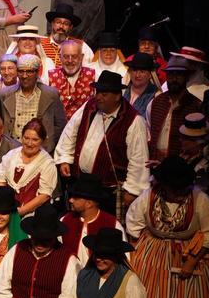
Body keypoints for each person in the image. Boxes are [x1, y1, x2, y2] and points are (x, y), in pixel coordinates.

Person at [126, 157, 209, 298]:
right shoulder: (149, 196)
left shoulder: (199, 199)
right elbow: (134, 225)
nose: (180, 192)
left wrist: (192, 262)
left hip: (190, 254)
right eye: (175, 188)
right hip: (154, 255)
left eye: (182, 188)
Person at [54, 71, 151, 220]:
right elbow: (71, 131)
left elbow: (138, 159)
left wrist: (132, 190)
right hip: (82, 183)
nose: (98, 97)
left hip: (107, 190)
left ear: (117, 96)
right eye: (98, 92)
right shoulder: (90, 106)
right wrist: (65, 158)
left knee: (104, 225)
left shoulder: (133, 121)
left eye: (104, 94)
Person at [0, 54, 65, 153]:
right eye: (21, 71)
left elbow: (60, 124)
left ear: (37, 72)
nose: (25, 76)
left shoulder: (50, 94)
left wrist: (47, 141)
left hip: (41, 150)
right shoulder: (5, 94)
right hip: (11, 150)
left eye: (29, 71)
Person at [0, 118, 57, 217]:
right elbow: (0, 178)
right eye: (26, 138)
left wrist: (20, 211)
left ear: (42, 141)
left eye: (35, 139)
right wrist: (4, 204)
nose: (29, 143)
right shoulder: (12, 155)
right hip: (6, 211)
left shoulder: (47, 163)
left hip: (32, 215)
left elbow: (44, 195)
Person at [146, 56, 203, 164]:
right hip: (154, 162)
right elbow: (149, 132)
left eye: (179, 74)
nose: (174, 78)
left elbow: (198, 142)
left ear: (187, 77)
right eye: (171, 74)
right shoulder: (156, 102)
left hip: (180, 167)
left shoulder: (195, 105)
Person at [60, 174, 125, 267]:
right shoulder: (65, 221)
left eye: (76, 198)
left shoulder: (112, 224)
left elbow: (123, 259)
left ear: (89, 204)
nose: (70, 200)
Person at [47, 39, 96, 120]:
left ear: (81, 57)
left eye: (74, 56)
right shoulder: (50, 76)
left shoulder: (93, 76)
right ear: (60, 57)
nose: (70, 61)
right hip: (59, 130)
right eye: (66, 56)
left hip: (84, 129)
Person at [124, 51, 160, 117]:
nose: (137, 75)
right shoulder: (123, 91)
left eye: (142, 71)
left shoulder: (156, 97)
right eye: (135, 70)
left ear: (150, 74)